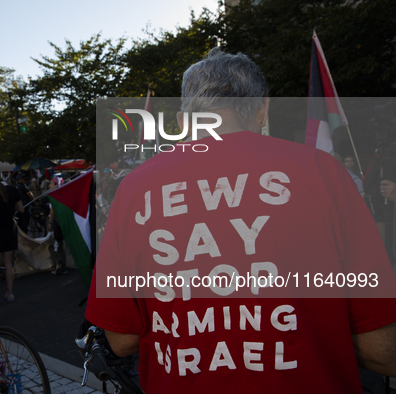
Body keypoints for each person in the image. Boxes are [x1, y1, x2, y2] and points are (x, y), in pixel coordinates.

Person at [85, 49, 396, 393]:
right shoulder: (323, 172)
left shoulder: (134, 189)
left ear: (183, 118)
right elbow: (381, 349)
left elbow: (122, 339)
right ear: (263, 109)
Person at [46, 178, 68, 275]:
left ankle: (60, 267)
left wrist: (49, 223)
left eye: (51, 183)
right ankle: (62, 266)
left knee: (56, 245)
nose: (49, 185)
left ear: (56, 185)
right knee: (60, 245)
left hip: (56, 224)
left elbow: (52, 210)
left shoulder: (55, 195)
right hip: (60, 223)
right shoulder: (62, 194)